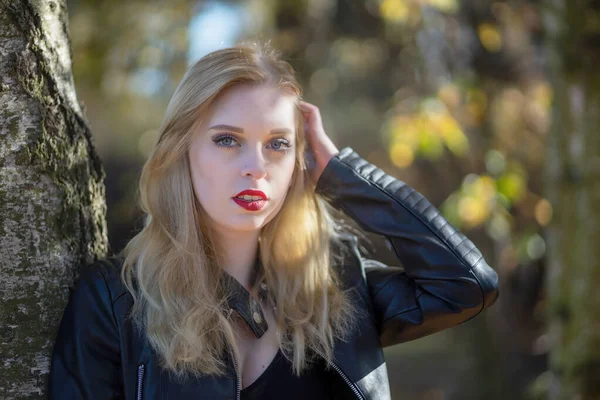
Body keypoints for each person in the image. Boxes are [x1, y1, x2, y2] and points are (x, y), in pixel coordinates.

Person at [47, 42, 499, 400]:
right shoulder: (114, 299)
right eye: (228, 140)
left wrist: (343, 176)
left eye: (277, 144)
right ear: (181, 151)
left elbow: (466, 285)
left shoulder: (336, 282)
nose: (256, 166)